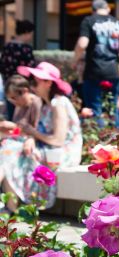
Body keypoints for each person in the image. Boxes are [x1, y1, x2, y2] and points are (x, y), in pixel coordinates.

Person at [0, 62, 82, 211]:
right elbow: (38, 133)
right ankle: (10, 210)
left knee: (9, 151)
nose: (31, 86)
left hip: (63, 153)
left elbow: (58, 140)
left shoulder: (58, 103)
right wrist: (31, 136)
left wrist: (32, 133)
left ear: (48, 83)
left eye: (35, 81)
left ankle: (10, 210)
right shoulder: (45, 104)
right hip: (49, 148)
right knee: (8, 149)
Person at [72, 0, 119, 128]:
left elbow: (81, 44)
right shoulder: (118, 23)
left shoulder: (89, 21)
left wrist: (74, 61)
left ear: (93, 10)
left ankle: (98, 141)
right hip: (113, 71)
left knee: (95, 109)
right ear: (108, 9)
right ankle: (116, 142)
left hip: (94, 71)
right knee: (113, 109)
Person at [0, 20, 35, 121]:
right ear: (27, 32)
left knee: (12, 114)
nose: (31, 36)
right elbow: (31, 69)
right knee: (25, 115)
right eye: (31, 33)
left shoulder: (7, 46)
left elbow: (2, 67)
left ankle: (14, 134)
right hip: (23, 87)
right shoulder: (26, 48)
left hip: (9, 86)